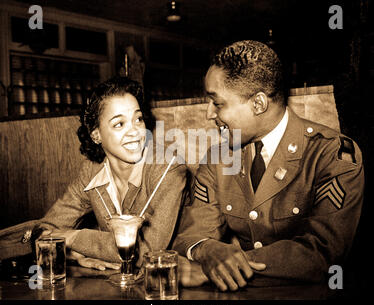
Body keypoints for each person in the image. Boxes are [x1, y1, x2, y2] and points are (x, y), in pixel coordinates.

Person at [173, 40, 364, 291]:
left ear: (259, 104)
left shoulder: (331, 153)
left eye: (217, 103)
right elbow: (190, 236)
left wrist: (222, 267)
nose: (209, 113)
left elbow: (323, 253)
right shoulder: (218, 157)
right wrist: (207, 249)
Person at [34, 76, 187, 270]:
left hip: (166, 286)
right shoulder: (91, 171)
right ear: (96, 135)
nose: (135, 132)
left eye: (138, 119)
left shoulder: (168, 168)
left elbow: (145, 253)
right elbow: (44, 230)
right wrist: (74, 254)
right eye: (119, 124)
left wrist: (73, 237)